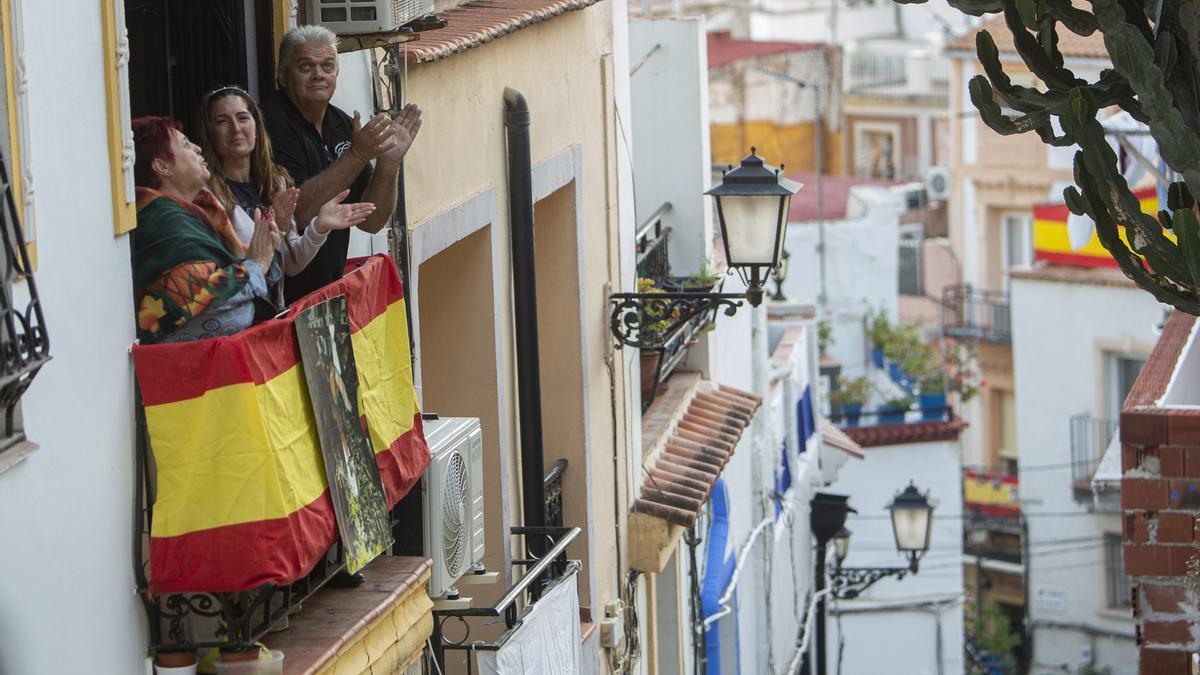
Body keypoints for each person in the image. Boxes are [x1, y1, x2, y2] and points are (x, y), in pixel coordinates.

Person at [262, 24, 422, 304]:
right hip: (283, 301)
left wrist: (388, 164)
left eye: (327, 66)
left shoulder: (342, 124)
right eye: (305, 66)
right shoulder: (272, 121)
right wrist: (357, 156)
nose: (318, 75)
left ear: (337, 74)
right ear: (283, 76)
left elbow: (371, 222)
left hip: (326, 293)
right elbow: (298, 213)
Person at [195, 85, 377, 307]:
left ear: (256, 125)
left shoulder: (275, 182)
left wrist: (319, 226)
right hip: (235, 322)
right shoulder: (205, 194)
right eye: (222, 121)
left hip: (271, 316)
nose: (236, 129)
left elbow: (291, 263)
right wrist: (275, 228)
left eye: (243, 118)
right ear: (209, 132)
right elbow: (223, 268)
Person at [131, 116, 280, 344]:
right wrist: (257, 265)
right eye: (185, 145)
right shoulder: (162, 220)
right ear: (162, 166)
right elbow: (213, 308)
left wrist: (265, 253)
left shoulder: (200, 212)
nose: (198, 148)